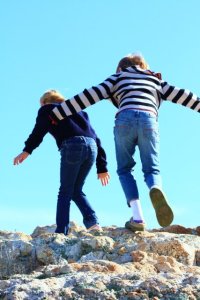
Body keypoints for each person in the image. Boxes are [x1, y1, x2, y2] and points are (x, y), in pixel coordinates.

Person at [49, 53, 200, 231]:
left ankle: (138, 218)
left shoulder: (118, 77)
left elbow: (89, 95)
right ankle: (155, 188)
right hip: (149, 121)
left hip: (124, 121)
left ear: (120, 68)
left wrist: (57, 114)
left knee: (125, 169)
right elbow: (184, 96)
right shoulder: (155, 80)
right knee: (152, 168)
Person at [14, 90, 110, 235]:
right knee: (75, 190)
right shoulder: (78, 111)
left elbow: (39, 130)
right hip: (92, 148)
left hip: (72, 146)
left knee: (65, 191)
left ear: (44, 102)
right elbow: (95, 137)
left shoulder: (47, 109)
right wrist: (102, 166)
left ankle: (61, 232)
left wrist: (27, 150)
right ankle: (93, 224)